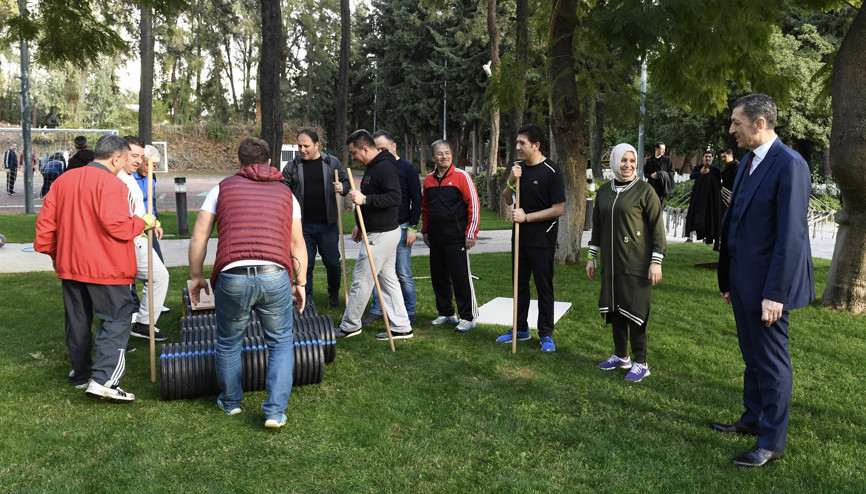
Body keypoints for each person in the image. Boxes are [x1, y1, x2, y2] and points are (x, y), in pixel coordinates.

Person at [712, 93, 814, 468]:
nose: (731, 130)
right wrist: (727, 279)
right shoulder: (748, 162)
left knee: (771, 362)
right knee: (752, 356)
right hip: (742, 281)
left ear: (759, 124)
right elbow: (736, 220)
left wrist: (775, 294)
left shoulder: (790, 165)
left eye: (736, 123)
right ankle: (753, 418)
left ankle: (771, 442)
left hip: (769, 287)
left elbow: (790, 237)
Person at [188, 136, 307, 429]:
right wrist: (301, 282)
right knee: (280, 343)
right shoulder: (286, 194)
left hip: (232, 275)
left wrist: (196, 277)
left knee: (229, 342)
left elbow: (200, 236)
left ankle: (231, 403)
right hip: (274, 273)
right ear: (269, 161)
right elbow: (297, 243)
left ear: (239, 162)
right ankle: (275, 412)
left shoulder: (221, 188)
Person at [34, 135, 151, 401]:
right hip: (107, 267)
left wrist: (56, 255)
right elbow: (118, 226)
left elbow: (45, 227)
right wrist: (143, 222)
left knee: (77, 320)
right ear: (116, 159)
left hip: (71, 264)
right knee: (117, 318)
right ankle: (104, 380)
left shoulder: (64, 180)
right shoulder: (112, 184)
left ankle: (81, 373)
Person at [587, 143, 666, 382]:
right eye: (623, 160)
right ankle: (621, 356)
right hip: (612, 263)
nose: (628, 165)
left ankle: (641, 362)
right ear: (614, 162)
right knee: (615, 308)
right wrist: (592, 257)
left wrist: (656, 261)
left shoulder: (645, 190)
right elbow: (597, 227)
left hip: (637, 263)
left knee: (636, 310)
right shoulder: (604, 191)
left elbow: (657, 228)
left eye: (632, 161)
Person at [336, 129, 413, 341]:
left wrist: (365, 200)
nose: (353, 157)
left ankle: (350, 325)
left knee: (361, 281)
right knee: (388, 281)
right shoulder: (374, 166)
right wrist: (360, 225)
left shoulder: (385, 167)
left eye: (354, 152)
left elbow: (395, 197)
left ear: (365, 149)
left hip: (381, 235)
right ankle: (402, 326)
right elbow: (371, 195)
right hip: (380, 232)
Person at [497, 124, 566, 352]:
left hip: (542, 238)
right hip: (520, 237)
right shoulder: (518, 168)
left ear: (536, 145)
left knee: (543, 286)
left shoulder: (551, 171)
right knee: (519, 284)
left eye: (522, 143)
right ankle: (520, 328)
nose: (517, 147)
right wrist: (511, 179)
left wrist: (526, 217)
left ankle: (546, 333)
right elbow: (507, 199)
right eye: (517, 142)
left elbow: (558, 209)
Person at [282, 128, 350, 309]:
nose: (302, 150)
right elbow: (282, 189)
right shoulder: (292, 166)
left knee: (333, 263)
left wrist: (342, 188)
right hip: (302, 226)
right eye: (299, 146)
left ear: (317, 145)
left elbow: (346, 182)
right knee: (305, 264)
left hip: (328, 225)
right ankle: (307, 301)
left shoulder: (331, 162)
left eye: (306, 146)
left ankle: (333, 297)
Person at [362, 130, 422, 325]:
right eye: (377, 149)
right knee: (378, 271)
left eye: (383, 148)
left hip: (402, 225)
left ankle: (409, 311)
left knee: (403, 272)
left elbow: (417, 198)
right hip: (380, 227)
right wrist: (358, 224)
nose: (380, 152)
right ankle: (377, 309)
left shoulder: (406, 168)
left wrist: (413, 227)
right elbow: (368, 198)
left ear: (394, 146)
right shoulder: (373, 168)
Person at [421, 139, 480, 332]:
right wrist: (425, 231)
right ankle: (446, 313)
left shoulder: (462, 176)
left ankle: (468, 316)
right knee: (439, 276)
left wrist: (470, 233)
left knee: (460, 277)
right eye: (439, 153)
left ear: (451, 154)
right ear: (433, 157)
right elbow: (425, 208)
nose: (444, 156)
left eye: (447, 153)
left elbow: (474, 205)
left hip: (457, 237)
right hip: (436, 237)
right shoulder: (428, 180)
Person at [119, 136, 169, 342]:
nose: (139, 161)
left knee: (160, 275)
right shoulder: (117, 178)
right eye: (135, 156)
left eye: (141, 157)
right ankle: (117, 343)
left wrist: (152, 221)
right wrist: (144, 222)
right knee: (121, 290)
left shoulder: (134, 176)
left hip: (139, 237)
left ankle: (144, 324)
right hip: (124, 240)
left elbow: (143, 205)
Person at [684, 150, 723, 248]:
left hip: (711, 200)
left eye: (710, 157)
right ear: (703, 157)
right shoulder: (698, 168)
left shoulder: (716, 170)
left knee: (710, 218)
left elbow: (719, 185)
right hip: (699, 198)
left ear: (712, 158)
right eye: (706, 156)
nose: (708, 158)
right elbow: (692, 176)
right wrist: (700, 173)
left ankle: (710, 237)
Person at [644, 141, 675, 208]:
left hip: (662, 188)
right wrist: (651, 175)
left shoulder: (667, 160)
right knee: (650, 207)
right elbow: (645, 174)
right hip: (651, 187)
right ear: (656, 149)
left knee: (659, 208)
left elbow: (672, 172)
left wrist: (661, 174)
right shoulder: (649, 160)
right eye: (662, 149)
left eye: (664, 149)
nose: (663, 151)